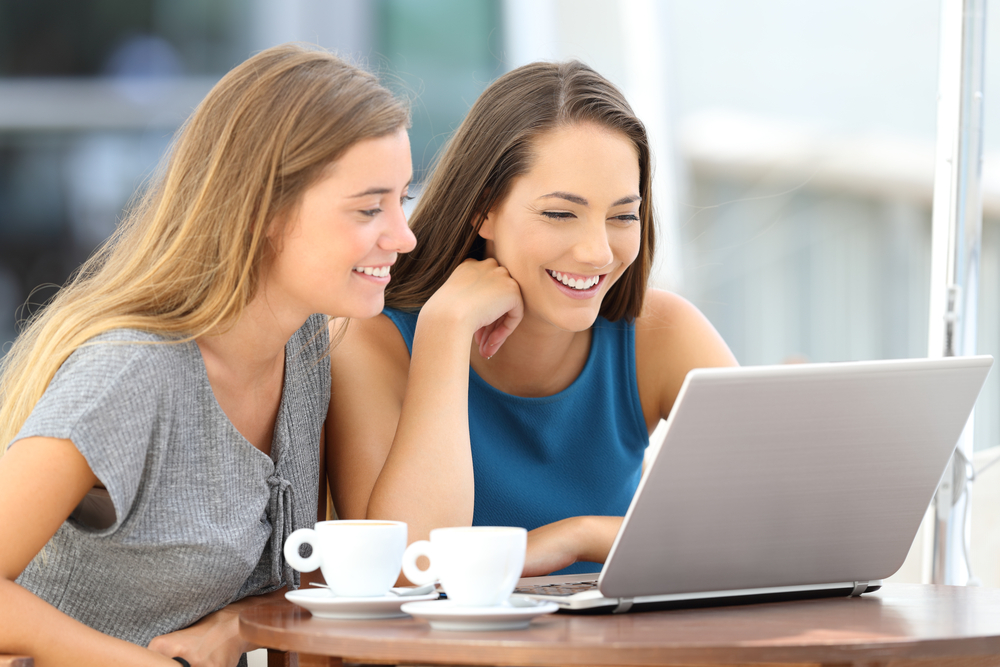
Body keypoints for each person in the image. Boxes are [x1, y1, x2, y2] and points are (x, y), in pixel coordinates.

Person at [0, 44, 415, 667]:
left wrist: (244, 624)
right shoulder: (134, 372)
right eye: (368, 208)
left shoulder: (303, 350)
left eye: (401, 200)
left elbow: (309, 582)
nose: (402, 236)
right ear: (265, 212)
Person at [327, 60, 737, 578]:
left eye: (622, 216)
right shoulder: (370, 338)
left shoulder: (660, 332)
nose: (597, 253)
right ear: (484, 209)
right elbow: (407, 571)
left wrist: (580, 535)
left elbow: (775, 516)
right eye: (561, 214)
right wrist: (445, 333)